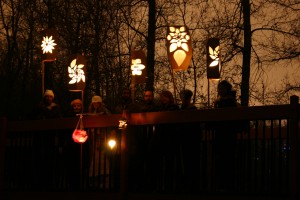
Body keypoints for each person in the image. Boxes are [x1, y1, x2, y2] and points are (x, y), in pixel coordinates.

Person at [213, 80, 238, 193]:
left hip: (226, 134)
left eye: (221, 88)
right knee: (224, 160)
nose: (219, 91)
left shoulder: (227, 102)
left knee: (226, 160)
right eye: (219, 88)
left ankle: (226, 185)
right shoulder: (223, 101)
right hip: (223, 134)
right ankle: (224, 185)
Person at [87, 95, 111, 187]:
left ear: (100, 103)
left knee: (103, 160)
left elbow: (109, 120)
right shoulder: (91, 112)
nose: (95, 104)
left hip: (102, 138)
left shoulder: (105, 111)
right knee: (95, 160)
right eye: (94, 103)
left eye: (97, 102)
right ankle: (95, 181)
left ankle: (104, 181)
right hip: (93, 138)